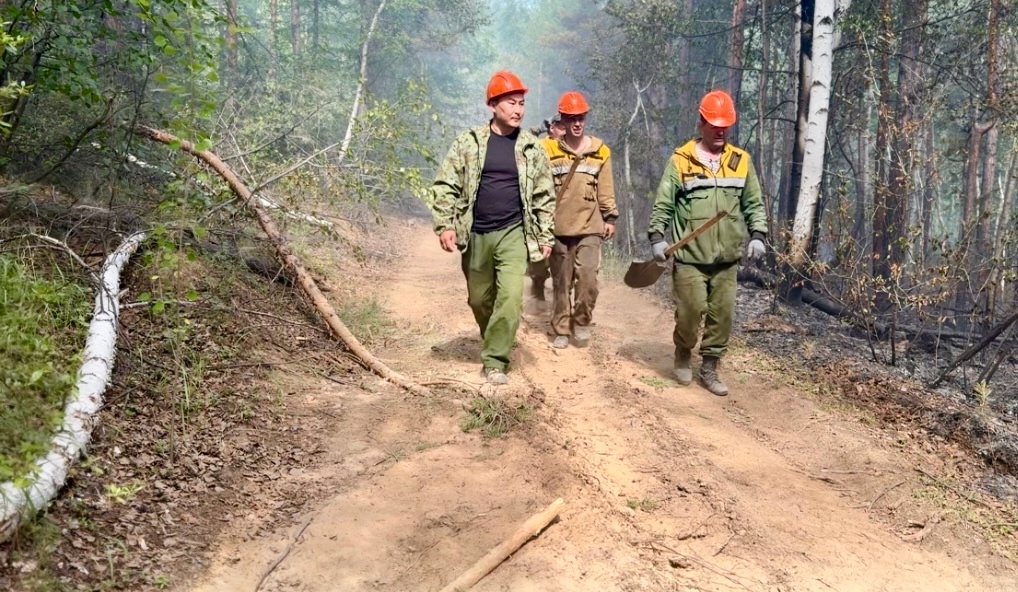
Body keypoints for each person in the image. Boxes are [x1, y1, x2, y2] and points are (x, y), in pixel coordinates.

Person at [427, 70, 555, 385]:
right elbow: (445, 185)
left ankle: (496, 360)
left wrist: (545, 235)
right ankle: (494, 337)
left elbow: (544, 195)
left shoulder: (531, 147)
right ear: (493, 105)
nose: (518, 109)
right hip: (476, 234)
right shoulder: (468, 143)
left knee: (510, 297)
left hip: (514, 232)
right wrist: (445, 224)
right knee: (479, 300)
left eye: (521, 103)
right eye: (511, 102)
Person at [646, 90, 768, 396]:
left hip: (727, 258)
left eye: (725, 125)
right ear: (701, 123)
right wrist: (657, 237)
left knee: (722, 315)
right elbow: (664, 203)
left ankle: (710, 366)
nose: (720, 131)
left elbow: (753, 203)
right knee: (691, 311)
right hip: (690, 257)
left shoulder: (741, 161)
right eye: (714, 125)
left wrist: (758, 235)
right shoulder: (681, 160)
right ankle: (683, 352)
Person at [540, 91, 618, 348]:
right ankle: (562, 329)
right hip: (558, 227)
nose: (577, 123)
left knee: (587, 278)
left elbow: (605, 189)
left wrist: (609, 217)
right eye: (571, 118)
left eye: (581, 118)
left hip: (590, 226)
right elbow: (539, 188)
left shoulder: (600, 151)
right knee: (561, 281)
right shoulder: (547, 150)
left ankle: (582, 321)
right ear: (562, 120)